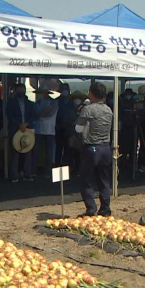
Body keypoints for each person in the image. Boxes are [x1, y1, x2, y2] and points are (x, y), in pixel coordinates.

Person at [75, 82, 113, 216]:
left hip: (91, 147)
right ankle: (105, 208)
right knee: (104, 179)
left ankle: (91, 208)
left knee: (86, 178)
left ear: (91, 93)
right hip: (105, 147)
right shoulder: (109, 109)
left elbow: (78, 129)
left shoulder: (88, 109)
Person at [7, 83, 37, 182]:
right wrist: (19, 124)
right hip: (16, 129)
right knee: (15, 153)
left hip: (27, 129)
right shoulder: (11, 103)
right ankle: (14, 175)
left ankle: (27, 174)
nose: (21, 92)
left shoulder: (29, 103)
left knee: (28, 151)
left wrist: (26, 123)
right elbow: (10, 116)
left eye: (23, 90)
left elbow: (33, 115)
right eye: (19, 90)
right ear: (16, 91)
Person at [33, 87, 58, 179]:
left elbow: (50, 113)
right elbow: (35, 114)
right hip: (38, 129)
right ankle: (34, 171)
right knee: (36, 150)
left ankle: (47, 171)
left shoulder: (54, 102)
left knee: (49, 152)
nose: (41, 94)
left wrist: (41, 113)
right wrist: (43, 112)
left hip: (50, 130)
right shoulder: (37, 103)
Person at [55, 83, 78, 169]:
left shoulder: (72, 102)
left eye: (66, 89)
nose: (65, 91)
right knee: (58, 149)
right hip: (59, 129)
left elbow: (75, 114)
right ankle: (57, 167)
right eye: (63, 89)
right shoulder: (56, 101)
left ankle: (68, 168)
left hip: (69, 129)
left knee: (69, 150)